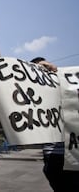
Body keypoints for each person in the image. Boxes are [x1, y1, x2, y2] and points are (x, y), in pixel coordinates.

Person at [31, 57, 79, 192]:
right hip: (53, 156)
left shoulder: (66, 86)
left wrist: (54, 71)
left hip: (73, 151)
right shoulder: (36, 93)